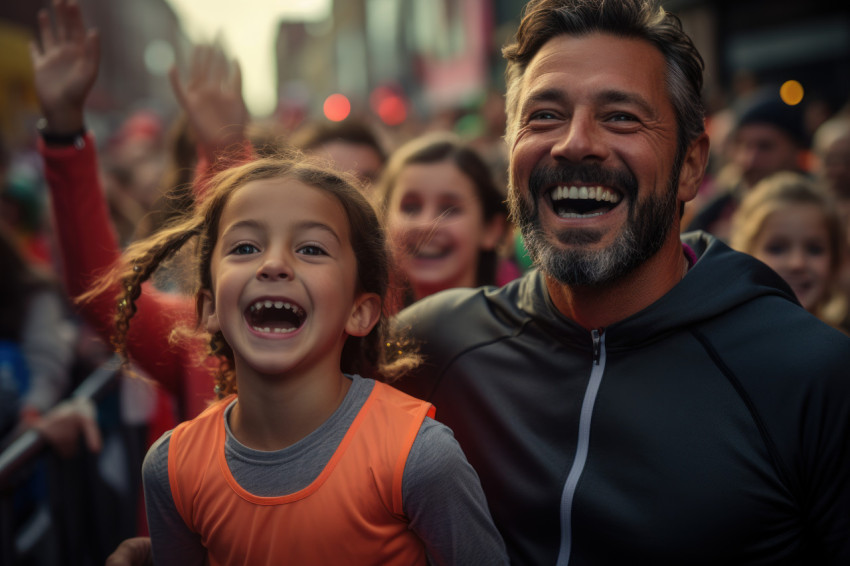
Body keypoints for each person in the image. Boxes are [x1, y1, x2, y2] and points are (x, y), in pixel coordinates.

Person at [393, 0, 850, 564]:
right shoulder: (433, 346)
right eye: (544, 116)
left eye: (621, 117)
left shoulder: (811, 374)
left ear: (690, 165)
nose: (575, 143)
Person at [90, 154, 507, 564]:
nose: (273, 264)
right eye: (246, 246)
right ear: (209, 309)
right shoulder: (171, 469)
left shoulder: (419, 456)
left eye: (311, 249)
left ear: (359, 311)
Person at [373, 132, 515, 312]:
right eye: (410, 208)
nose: (427, 224)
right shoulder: (355, 327)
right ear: (383, 220)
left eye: (449, 209)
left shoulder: (526, 330)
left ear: (491, 229)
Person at [686, 87, 811, 241]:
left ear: (796, 150)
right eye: (743, 146)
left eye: (765, 146)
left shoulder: (820, 207)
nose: (749, 160)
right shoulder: (715, 212)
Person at [730, 172, 848, 332]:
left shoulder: (842, 349)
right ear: (746, 252)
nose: (797, 263)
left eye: (814, 249)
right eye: (777, 249)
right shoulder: (724, 344)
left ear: (834, 259)